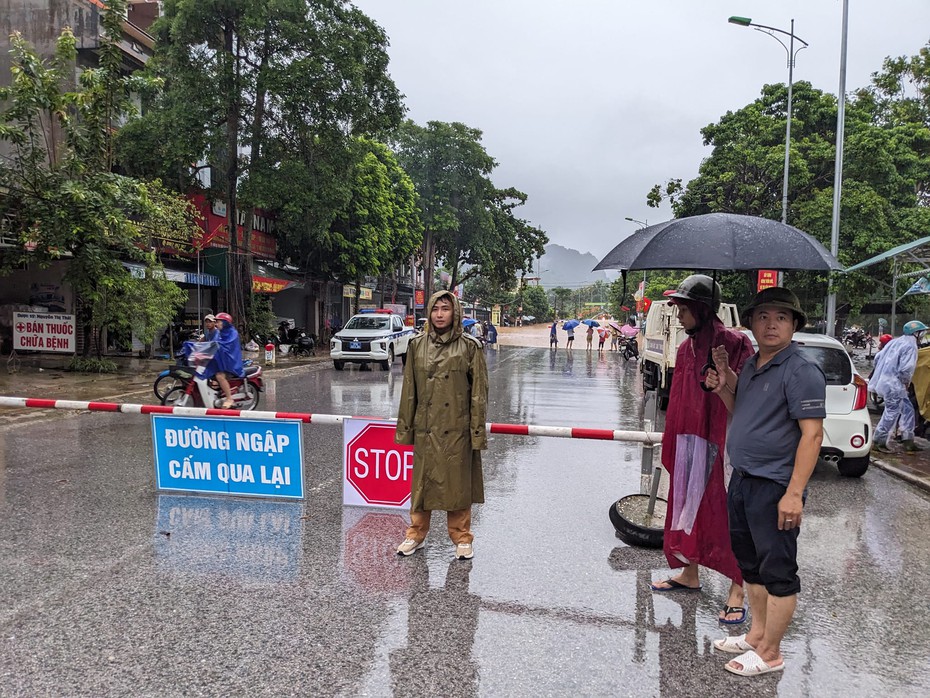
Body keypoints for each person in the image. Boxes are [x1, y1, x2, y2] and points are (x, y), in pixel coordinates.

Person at [705, 286, 826, 677]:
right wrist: (724, 381)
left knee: (777, 571)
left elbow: (812, 436)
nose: (771, 324)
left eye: (781, 317)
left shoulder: (800, 370)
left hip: (775, 486)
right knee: (751, 567)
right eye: (763, 316)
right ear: (752, 323)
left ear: (793, 324)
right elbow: (739, 412)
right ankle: (756, 636)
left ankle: (771, 653)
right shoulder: (755, 366)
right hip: (742, 480)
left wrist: (794, 494)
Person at [649, 275, 754, 627]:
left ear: (701, 309)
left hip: (724, 443)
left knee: (728, 515)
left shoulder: (736, 344)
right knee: (687, 507)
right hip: (688, 441)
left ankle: (738, 591)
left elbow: (748, 398)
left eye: (682, 308)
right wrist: (673, 441)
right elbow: (679, 401)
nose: (677, 315)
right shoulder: (685, 348)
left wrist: (723, 372)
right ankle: (689, 572)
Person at [394, 290, 489, 560]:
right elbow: (409, 390)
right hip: (426, 428)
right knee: (421, 485)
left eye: (445, 309)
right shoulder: (416, 345)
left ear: (455, 312)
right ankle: (415, 534)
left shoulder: (470, 346)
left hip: (456, 429)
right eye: (435, 309)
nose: (439, 314)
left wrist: (476, 433)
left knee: (457, 485)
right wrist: (405, 430)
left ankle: (462, 537)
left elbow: (479, 394)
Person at [870, 320, 928, 453]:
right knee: (891, 412)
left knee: (907, 409)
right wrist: (906, 382)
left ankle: (908, 439)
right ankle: (879, 441)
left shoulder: (896, 342)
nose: (923, 334)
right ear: (916, 333)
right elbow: (906, 369)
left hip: (887, 382)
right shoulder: (910, 346)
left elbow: (878, 358)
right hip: (895, 385)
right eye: (922, 331)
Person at [212, 312, 244, 409]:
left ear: (225, 323)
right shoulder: (218, 333)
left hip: (231, 363)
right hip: (222, 361)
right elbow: (213, 343)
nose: (216, 324)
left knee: (220, 376)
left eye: (218, 322)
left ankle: (229, 398)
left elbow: (225, 345)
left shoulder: (233, 333)